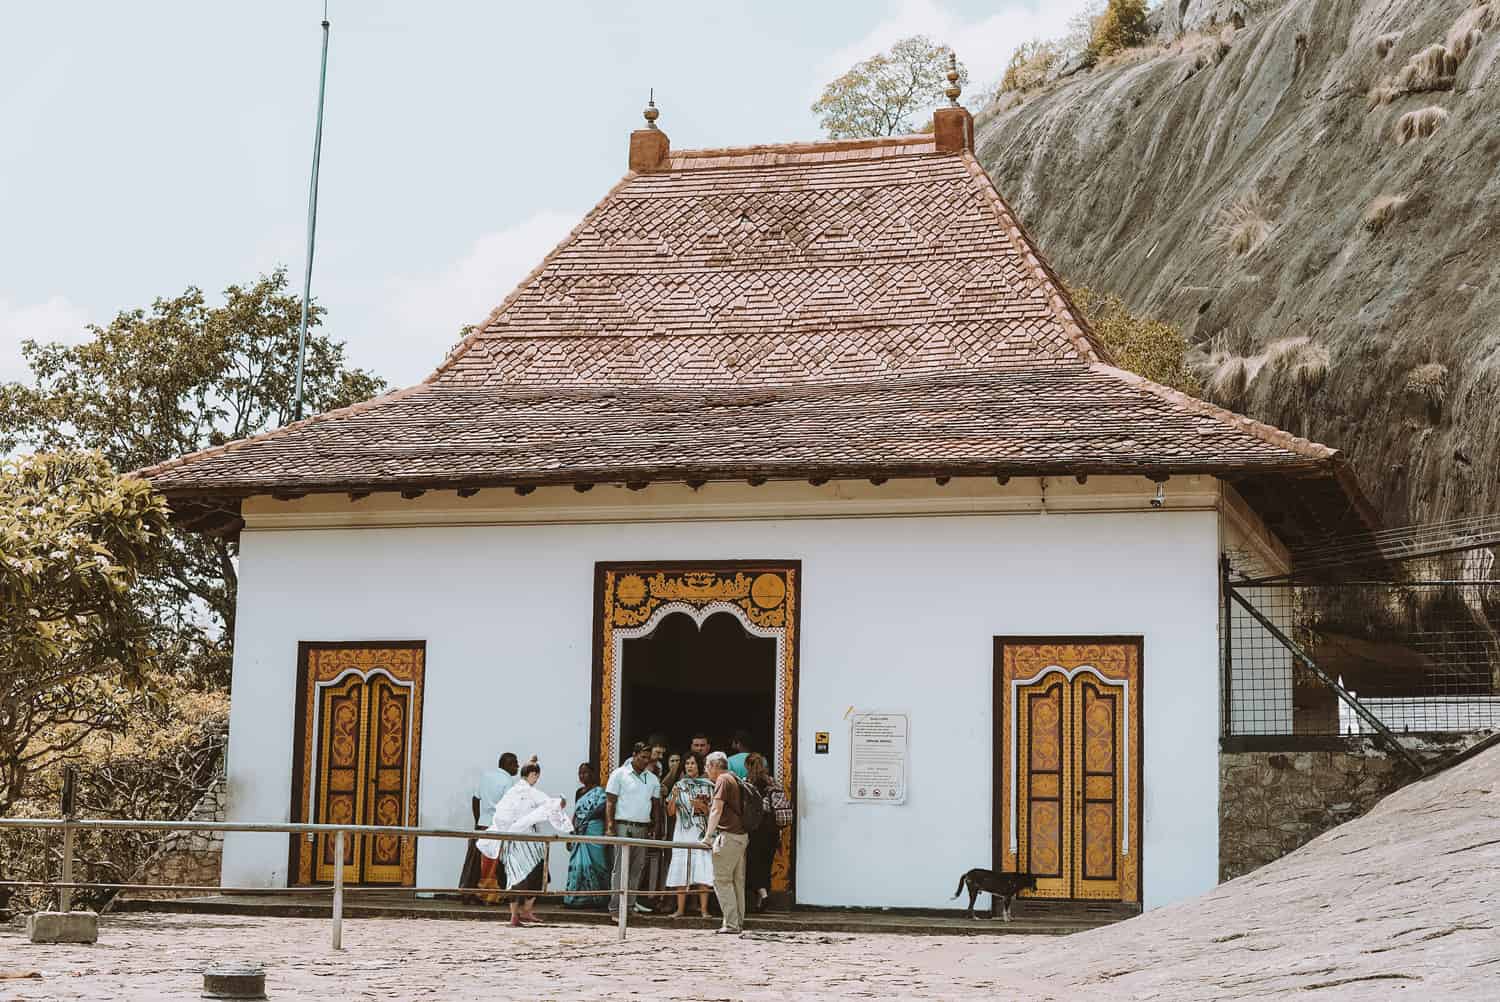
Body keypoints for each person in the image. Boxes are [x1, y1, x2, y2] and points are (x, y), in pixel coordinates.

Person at [477, 759, 572, 927]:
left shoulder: (512, 792)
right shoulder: (530, 792)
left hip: (510, 841)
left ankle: (516, 915)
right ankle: (525, 910)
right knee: (536, 875)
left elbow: (501, 816)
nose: (536, 780)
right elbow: (549, 805)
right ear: (533, 775)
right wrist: (560, 804)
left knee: (513, 878)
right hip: (527, 842)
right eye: (536, 776)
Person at [605, 741, 661, 917]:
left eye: (648, 758)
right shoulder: (619, 774)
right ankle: (615, 909)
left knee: (637, 868)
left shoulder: (652, 778)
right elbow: (610, 801)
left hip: (643, 827)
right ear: (634, 755)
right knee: (620, 868)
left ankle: (629, 907)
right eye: (643, 757)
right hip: (623, 826)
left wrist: (656, 826)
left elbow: (656, 805)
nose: (646, 761)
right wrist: (610, 826)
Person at [459, 752, 518, 901]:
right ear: (507, 764)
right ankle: (489, 897)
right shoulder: (508, 781)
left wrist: (478, 820)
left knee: (475, 863)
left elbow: (475, 798)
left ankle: (469, 894)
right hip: (498, 827)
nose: (517, 766)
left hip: (482, 825)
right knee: (493, 865)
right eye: (515, 763)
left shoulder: (486, 776)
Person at [703, 750, 748, 934]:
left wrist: (708, 836)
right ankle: (737, 921)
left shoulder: (722, 780)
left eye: (707, 766)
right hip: (741, 836)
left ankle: (731, 924)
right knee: (737, 881)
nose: (706, 770)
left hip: (729, 836)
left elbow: (716, 809)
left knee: (721, 880)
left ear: (714, 766)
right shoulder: (734, 778)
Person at [665, 752, 713, 918]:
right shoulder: (679, 785)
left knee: (702, 869)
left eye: (692, 763)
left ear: (699, 765)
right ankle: (679, 909)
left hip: (700, 832)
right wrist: (674, 798)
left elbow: (713, 812)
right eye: (687, 764)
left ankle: (704, 910)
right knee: (681, 869)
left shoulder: (708, 786)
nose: (689, 766)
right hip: (682, 832)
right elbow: (670, 813)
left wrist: (702, 806)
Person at [565, 764, 609, 909]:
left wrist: (586, 821)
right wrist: (571, 831)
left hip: (593, 830)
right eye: (580, 773)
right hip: (579, 831)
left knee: (598, 863)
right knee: (579, 864)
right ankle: (577, 898)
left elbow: (601, 810)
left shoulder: (601, 791)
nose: (582, 776)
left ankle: (599, 899)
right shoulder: (579, 792)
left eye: (585, 773)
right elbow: (576, 813)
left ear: (593, 774)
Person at [742, 752, 780, 913]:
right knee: (766, 864)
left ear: (747, 766)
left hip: (756, 829)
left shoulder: (748, 783)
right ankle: (760, 902)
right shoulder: (771, 781)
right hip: (772, 830)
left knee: (753, 864)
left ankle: (763, 896)